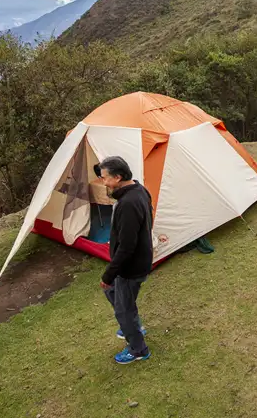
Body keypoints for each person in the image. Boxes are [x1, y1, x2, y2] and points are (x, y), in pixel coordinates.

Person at [98, 156, 154, 364]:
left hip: (130, 267)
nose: (103, 183)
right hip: (139, 262)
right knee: (113, 292)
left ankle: (138, 349)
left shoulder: (128, 204)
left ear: (118, 177)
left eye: (105, 178)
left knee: (123, 309)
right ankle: (132, 324)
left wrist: (109, 273)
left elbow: (126, 247)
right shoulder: (139, 190)